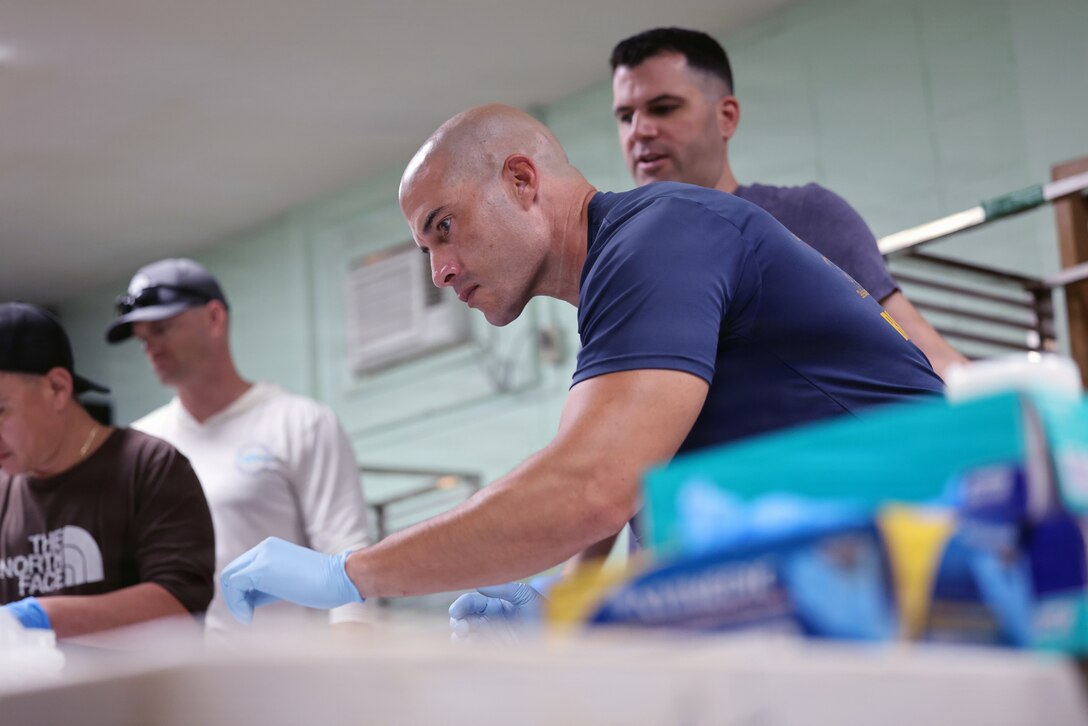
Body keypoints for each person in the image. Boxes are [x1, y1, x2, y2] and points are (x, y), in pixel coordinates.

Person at [216, 104, 943, 623]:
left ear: (523, 181)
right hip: (854, 586)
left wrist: (348, 574)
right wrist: (564, 596)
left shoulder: (661, 235)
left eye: (445, 228)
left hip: (939, 579)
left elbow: (590, 485)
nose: (438, 272)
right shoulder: (625, 279)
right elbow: (606, 461)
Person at [609, 27, 967, 380]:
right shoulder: (628, 265)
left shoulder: (806, 216)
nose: (639, 131)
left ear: (727, 117)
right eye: (626, 116)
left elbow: (928, 355)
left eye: (664, 108)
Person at [105, 259, 372, 633]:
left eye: (161, 329)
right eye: (143, 338)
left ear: (214, 318)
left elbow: (346, 553)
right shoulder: (138, 448)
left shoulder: (299, 423)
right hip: (181, 683)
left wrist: (351, 666)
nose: (151, 347)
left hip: (284, 678)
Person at [0, 302, 215, 638]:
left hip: (136, 692)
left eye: (0, 411)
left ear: (57, 388)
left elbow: (181, 610)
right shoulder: (4, 490)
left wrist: (41, 617)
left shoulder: (149, 466)